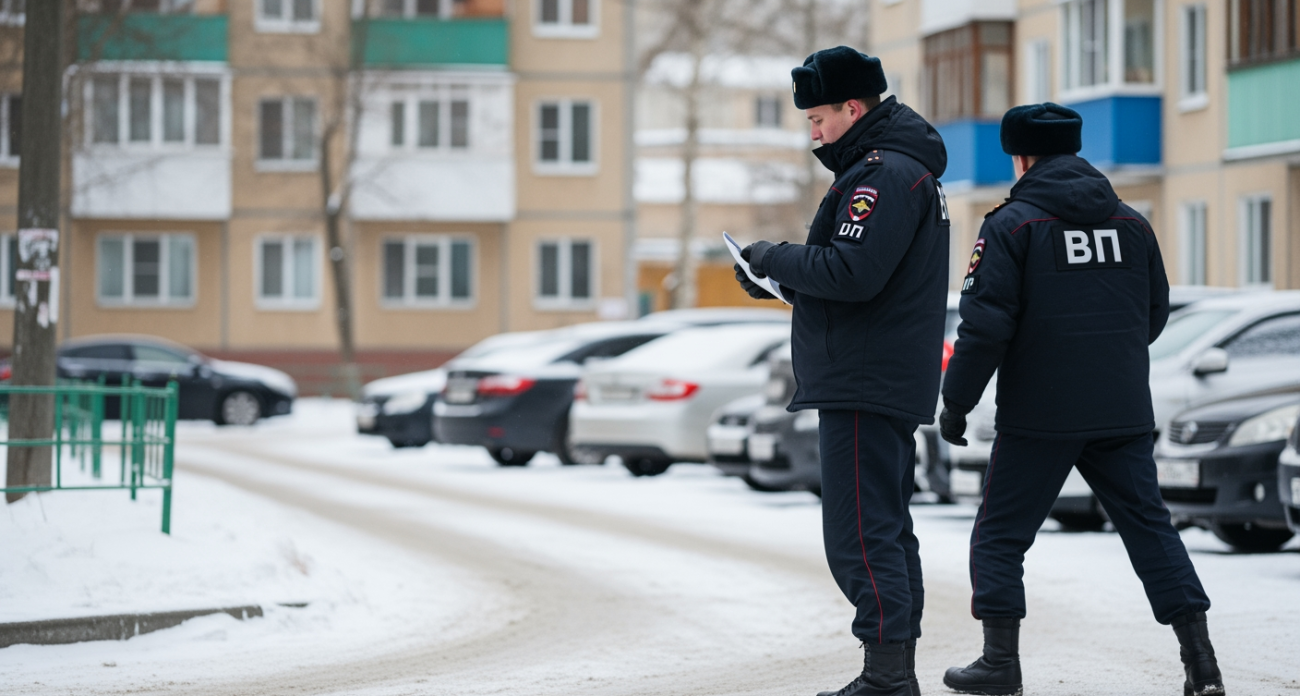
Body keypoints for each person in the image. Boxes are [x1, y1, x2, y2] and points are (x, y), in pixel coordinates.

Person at [938, 103, 1224, 696]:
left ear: (1019, 156)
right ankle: (1203, 667)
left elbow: (985, 326)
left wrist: (957, 402)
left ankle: (999, 664)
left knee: (1000, 535)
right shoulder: (1132, 223)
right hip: (1121, 408)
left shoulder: (1011, 225)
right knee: (1151, 530)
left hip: (1039, 414)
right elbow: (1153, 314)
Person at [734, 46, 950, 696]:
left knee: (858, 533)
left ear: (854, 108)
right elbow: (865, 282)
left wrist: (774, 257)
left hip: (865, 380)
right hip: (876, 373)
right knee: (883, 525)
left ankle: (887, 677)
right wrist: (781, 282)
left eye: (819, 117)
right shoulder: (894, 171)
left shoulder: (880, 178)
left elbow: (853, 273)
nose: (814, 132)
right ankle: (892, 672)